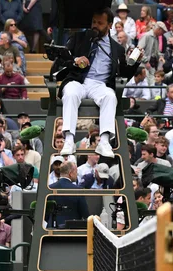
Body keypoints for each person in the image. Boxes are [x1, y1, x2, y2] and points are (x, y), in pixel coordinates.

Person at [53, 7, 142, 158]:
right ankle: (68, 139)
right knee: (70, 92)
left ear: (109, 26)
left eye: (99, 23)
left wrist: (135, 63)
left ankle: (105, 141)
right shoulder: (79, 38)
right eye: (93, 22)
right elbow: (61, 59)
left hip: (100, 85)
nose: (95, 25)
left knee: (110, 96)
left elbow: (124, 73)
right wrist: (75, 60)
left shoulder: (117, 48)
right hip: (78, 80)